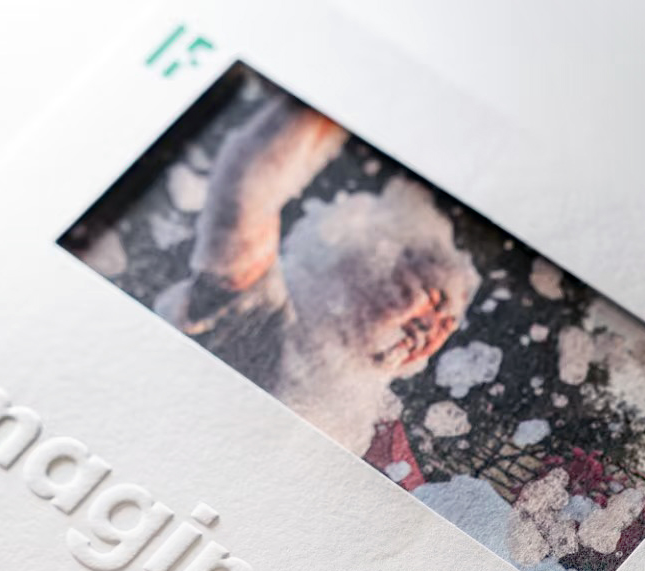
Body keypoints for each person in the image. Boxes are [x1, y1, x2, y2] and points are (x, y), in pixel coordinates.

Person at [157, 92, 480, 456]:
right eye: (433, 298)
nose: (432, 332)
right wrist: (328, 96)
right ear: (364, 267)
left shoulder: (369, 422)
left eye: (448, 322)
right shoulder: (270, 316)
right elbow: (242, 203)